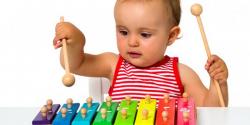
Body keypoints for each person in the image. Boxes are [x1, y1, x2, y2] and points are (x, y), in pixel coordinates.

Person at [53, 0, 228, 107]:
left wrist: (218, 83)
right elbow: (76, 64)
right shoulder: (113, 64)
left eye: (144, 34)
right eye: (123, 32)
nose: (132, 42)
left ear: (171, 36)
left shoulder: (181, 74)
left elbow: (212, 111)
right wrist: (75, 42)